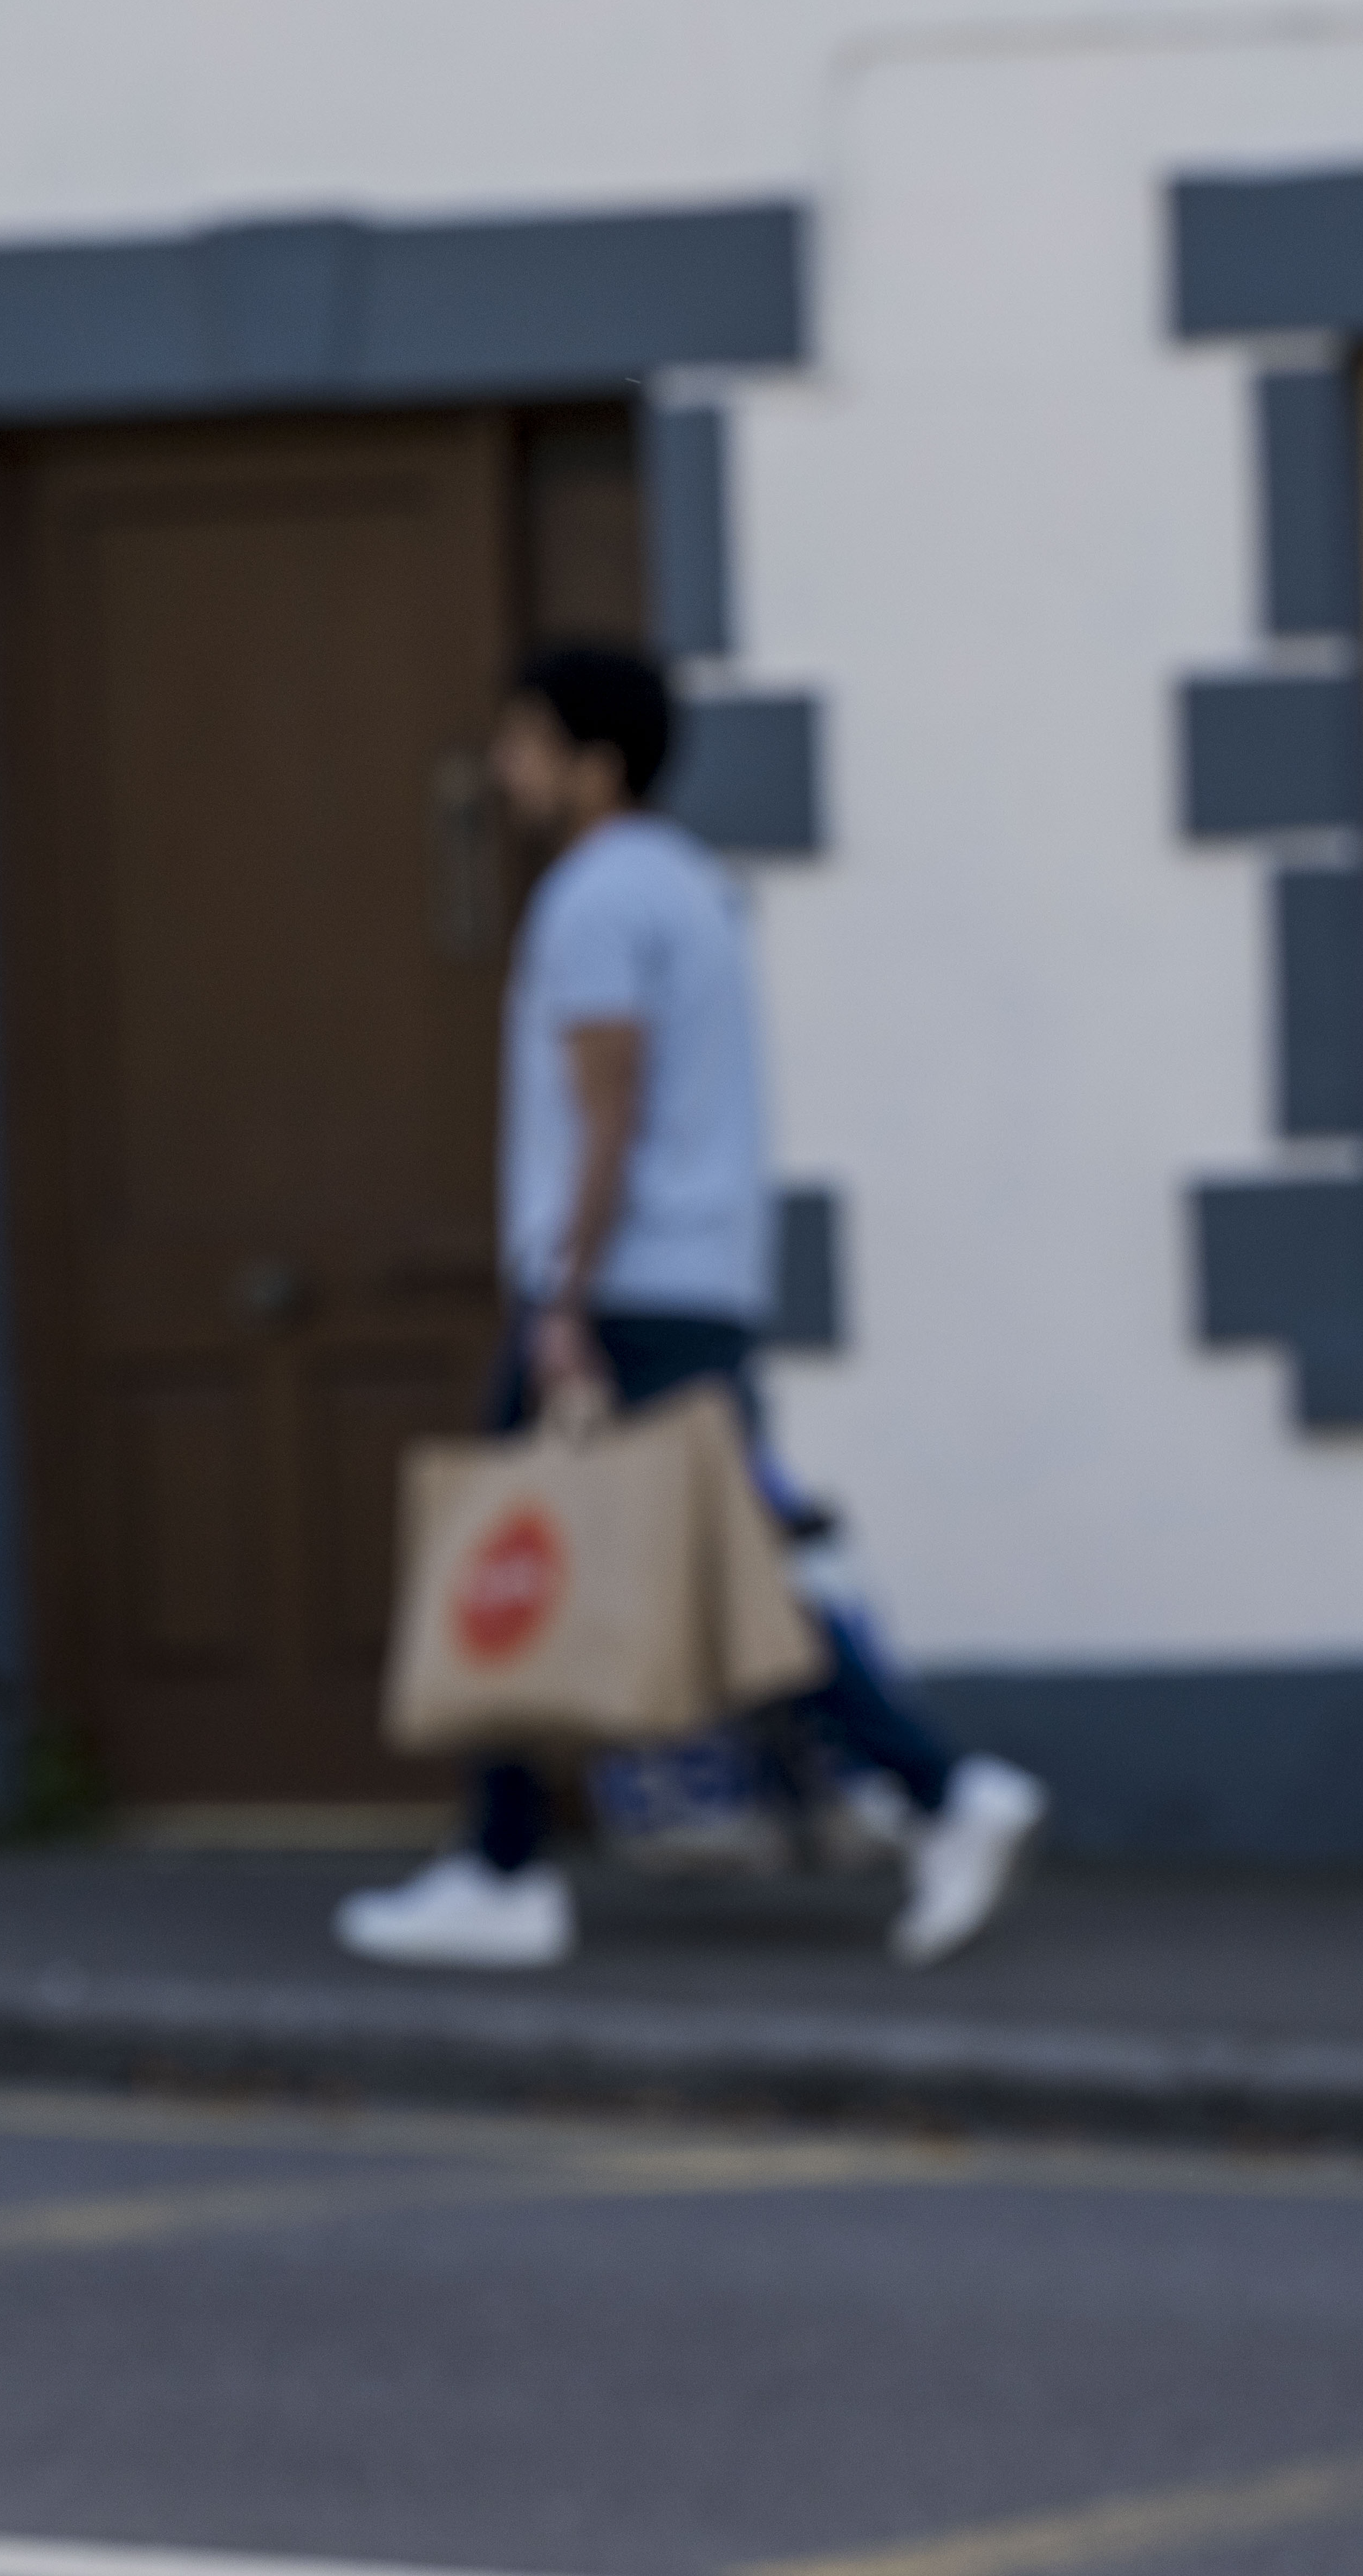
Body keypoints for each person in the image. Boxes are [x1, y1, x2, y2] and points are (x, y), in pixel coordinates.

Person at [339, 643, 1045, 1974]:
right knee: (737, 1564)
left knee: (503, 1551)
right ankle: (934, 1795)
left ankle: (508, 1870)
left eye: (524, 741)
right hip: (696, 1280)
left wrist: (562, 1293)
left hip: (623, 1289)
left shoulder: (595, 900)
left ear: (591, 760)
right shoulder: (694, 888)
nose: (502, 767)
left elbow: (610, 1105)